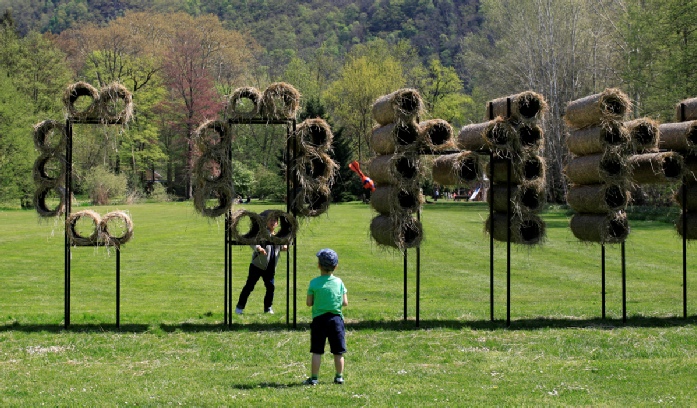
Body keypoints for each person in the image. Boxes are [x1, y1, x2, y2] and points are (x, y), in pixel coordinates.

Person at [303, 248, 348, 386]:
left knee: (317, 351)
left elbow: (309, 303)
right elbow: (345, 302)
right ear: (336, 266)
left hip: (319, 320)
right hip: (336, 320)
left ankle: (314, 378)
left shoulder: (314, 283)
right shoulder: (339, 282)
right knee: (338, 351)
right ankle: (339, 376)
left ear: (319, 265)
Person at [235, 210, 287, 315]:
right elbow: (252, 242)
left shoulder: (278, 236)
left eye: (274, 221)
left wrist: (284, 247)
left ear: (277, 224)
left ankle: (268, 308)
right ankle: (239, 307)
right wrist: (259, 248)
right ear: (266, 222)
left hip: (270, 267)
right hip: (257, 265)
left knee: (270, 288)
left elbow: (280, 247)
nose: (272, 222)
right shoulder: (262, 233)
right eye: (270, 220)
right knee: (249, 286)